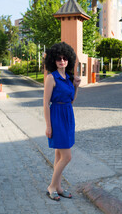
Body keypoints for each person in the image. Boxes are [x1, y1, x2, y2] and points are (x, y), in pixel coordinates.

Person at [44, 42, 81, 201]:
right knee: (67, 157)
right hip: (56, 116)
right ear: (54, 60)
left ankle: (58, 187)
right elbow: (45, 103)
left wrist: (77, 86)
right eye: (58, 58)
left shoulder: (69, 78)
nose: (62, 61)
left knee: (59, 156)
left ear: (68, 60)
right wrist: (48, 125)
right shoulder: (51, 78)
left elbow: (71, 100)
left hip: (68, 115)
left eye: (64, 58)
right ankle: (52, 186)